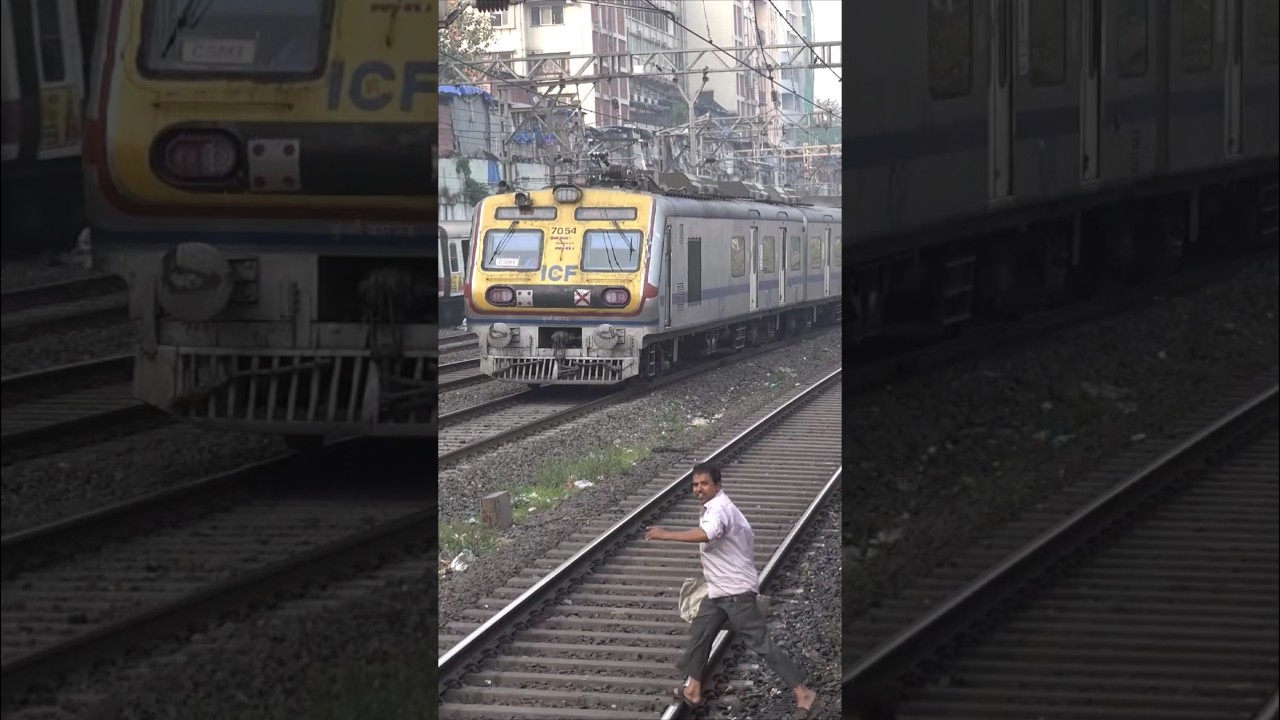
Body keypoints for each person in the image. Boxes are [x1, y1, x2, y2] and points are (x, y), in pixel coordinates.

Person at [645, 462, 825, 719]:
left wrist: (665, 535)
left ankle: (803, 692)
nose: (698, 489)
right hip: (718, 590)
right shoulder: (716, 507)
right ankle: (694, 689)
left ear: (717, 485)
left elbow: (707, 533)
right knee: (700, 633)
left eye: (704, 483)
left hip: (735, 592)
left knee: (760, 643)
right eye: (695, 484)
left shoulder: (719, 508)